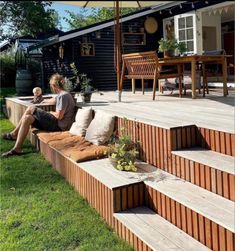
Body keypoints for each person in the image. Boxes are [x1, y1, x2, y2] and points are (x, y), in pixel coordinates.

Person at [1, 73, 75, 157]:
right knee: (27, 118)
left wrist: (50, 112)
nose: (51, 88)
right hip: (57, 124)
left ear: (54, 85)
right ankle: (17, 148)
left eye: (51, 86)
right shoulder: (63, 95)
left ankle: (14, 134)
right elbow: (54, 100)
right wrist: (44, 101)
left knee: (31, 108)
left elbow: (59, 116)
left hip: (59, 126)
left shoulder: (63, 96)